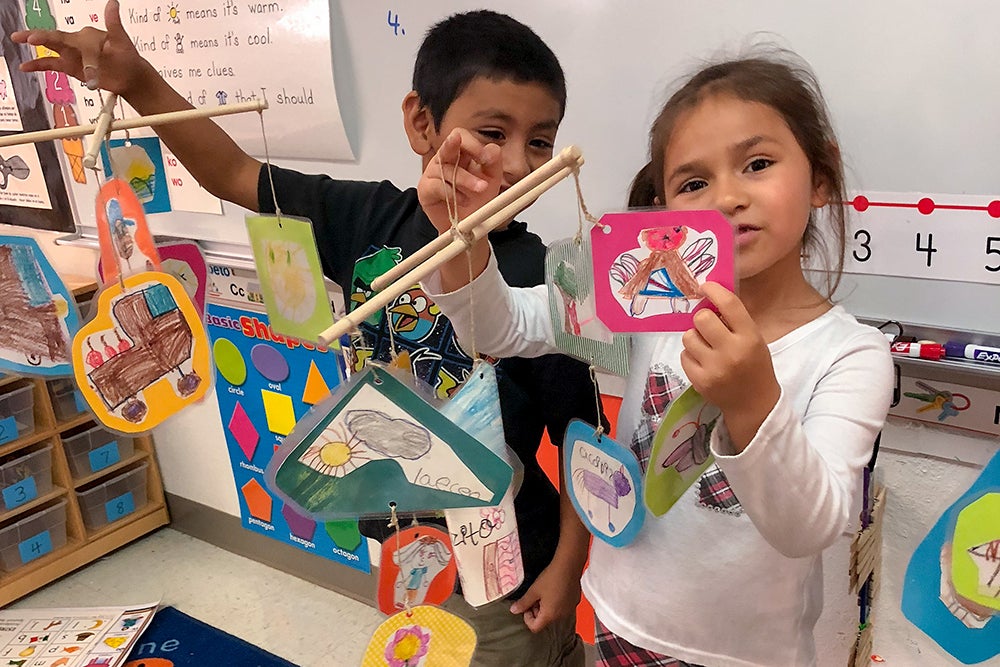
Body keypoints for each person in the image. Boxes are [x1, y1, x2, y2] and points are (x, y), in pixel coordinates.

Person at [14, 4, 601, 665]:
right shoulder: (366, 216)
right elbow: (234, 174)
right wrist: (140, 82)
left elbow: (583, 438)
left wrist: (568, 570)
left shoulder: (543, 282)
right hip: (408, 540)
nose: (518, 165)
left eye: (541, 141)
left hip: (512, 570)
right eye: (493, 132)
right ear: (421, 122)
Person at [417, 49, 894, 667]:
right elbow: (509, 324)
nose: (726, 197)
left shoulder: (851, 353)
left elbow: (811, 528)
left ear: (821, 178)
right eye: (694, 183)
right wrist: (460, 240)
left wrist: (752, 401)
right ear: (665, 210)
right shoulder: (648, 305)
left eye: (757, 164)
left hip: (745, 655)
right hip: (621, 620)